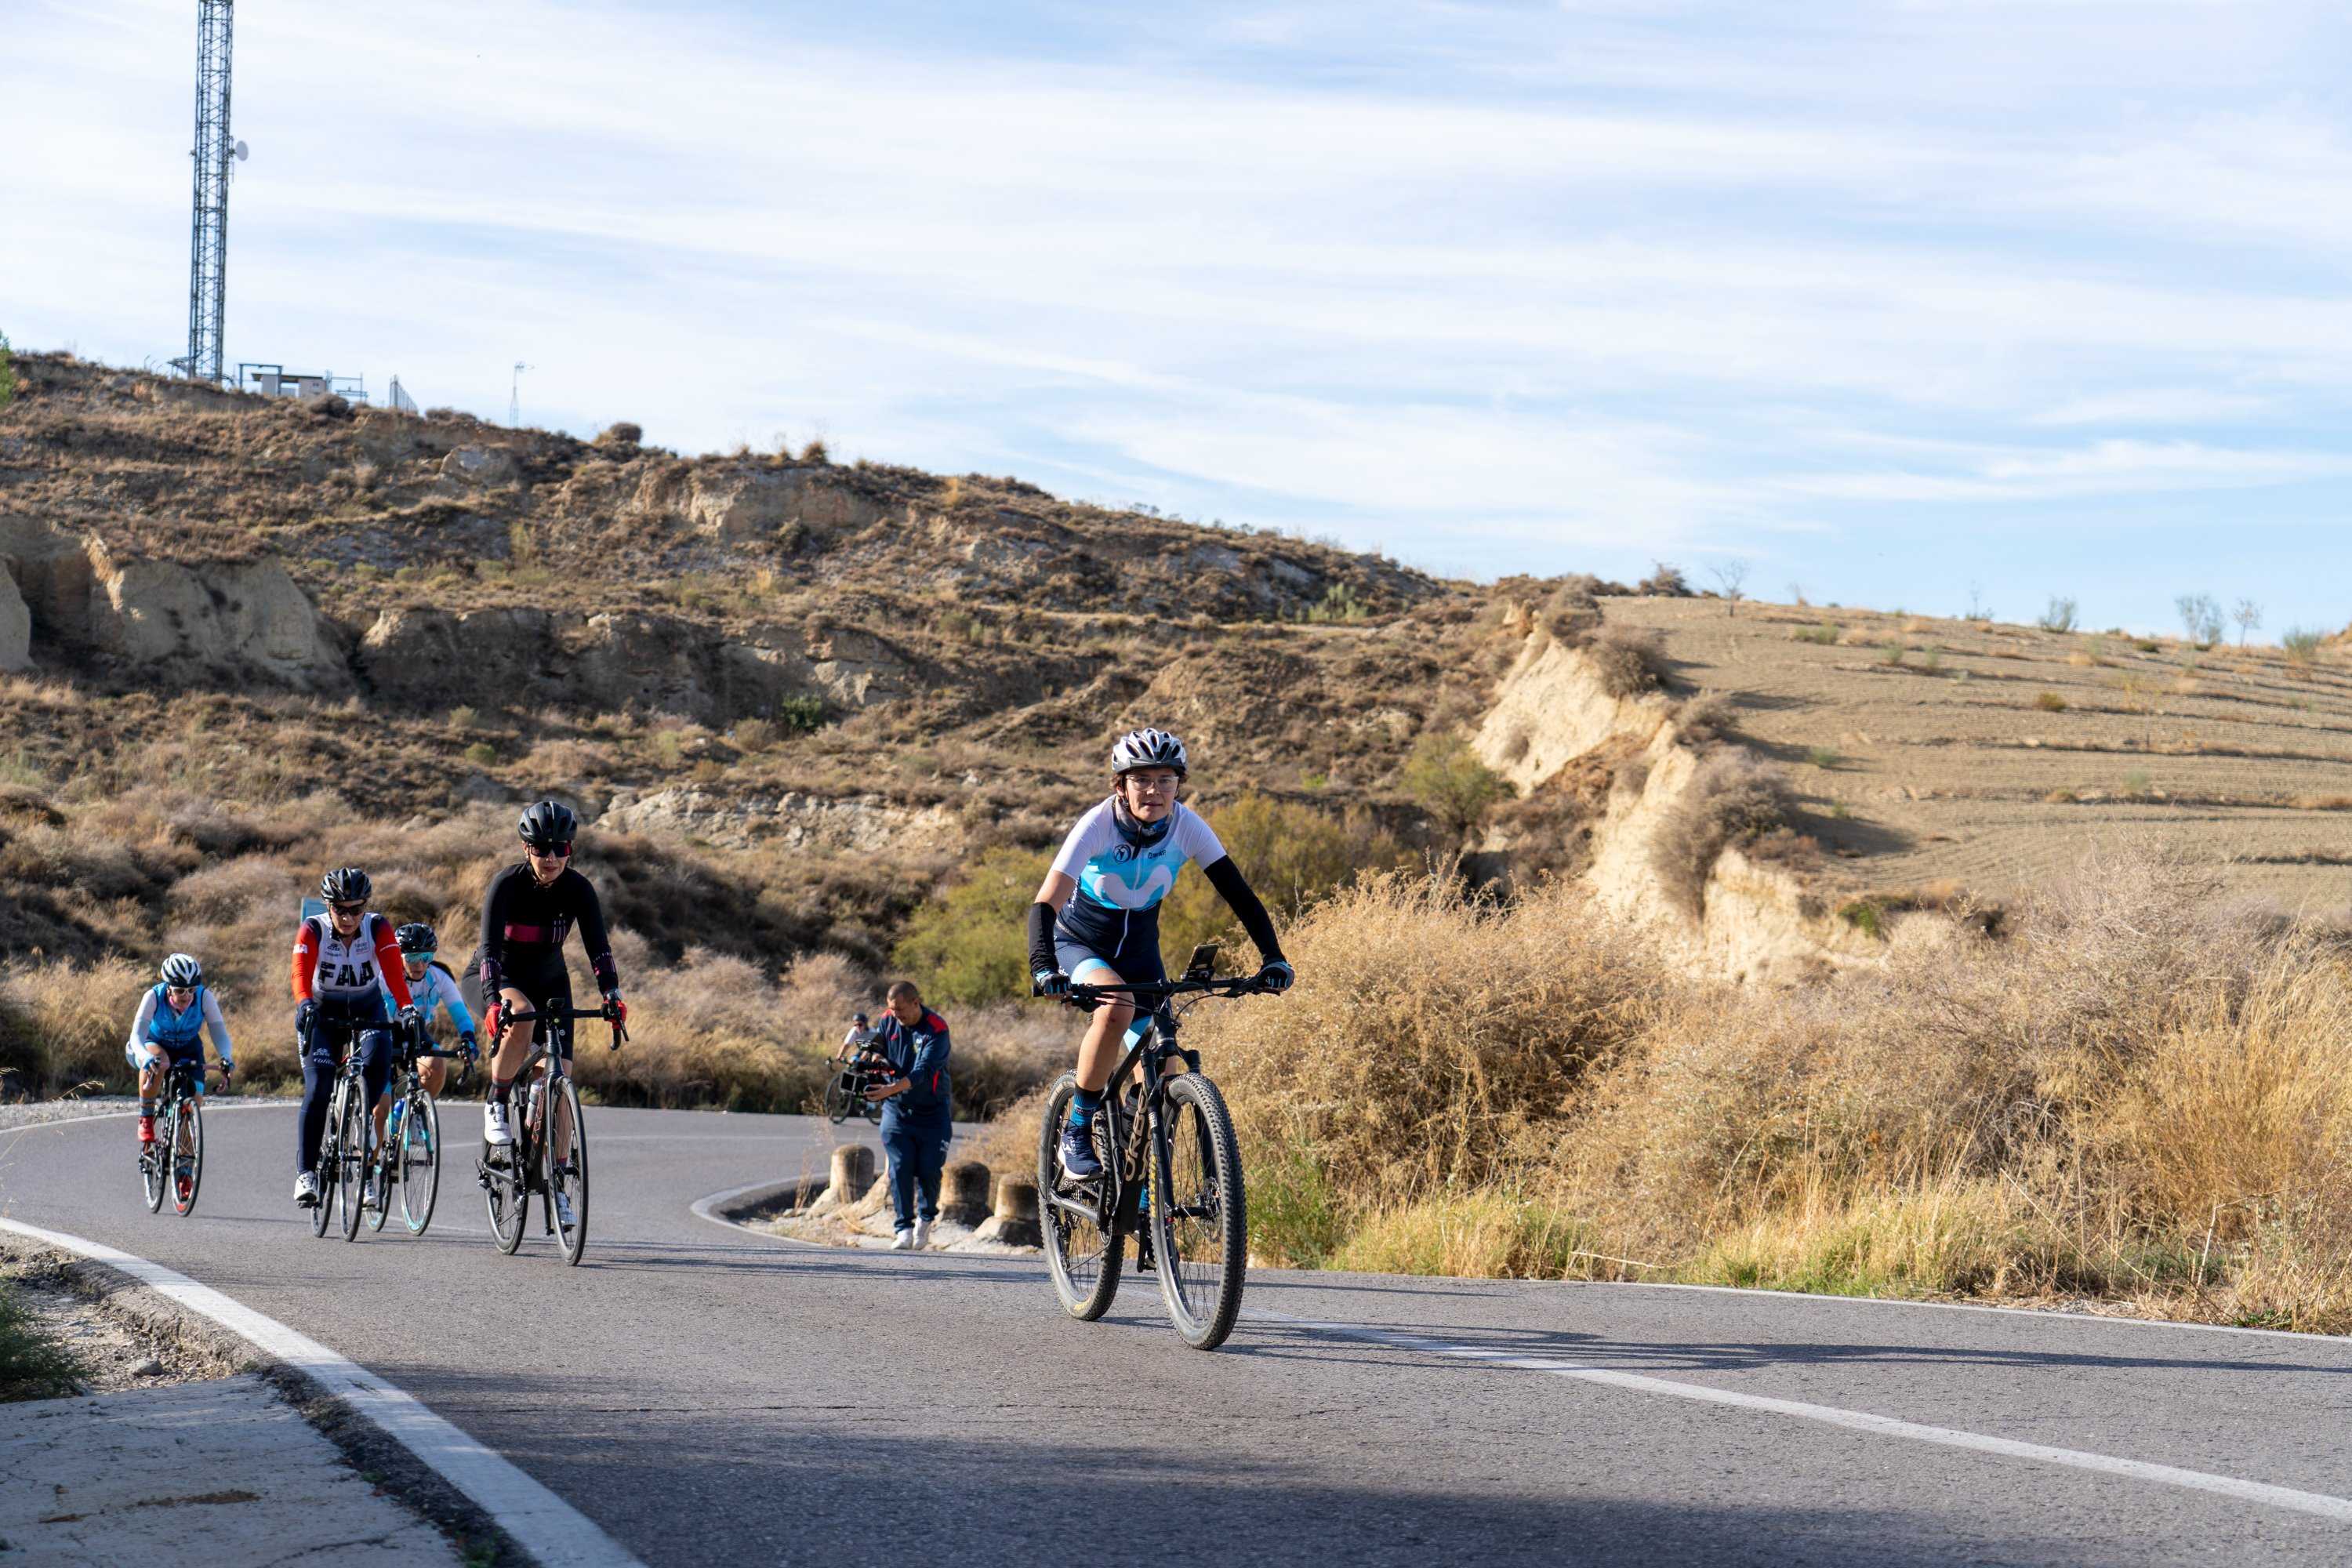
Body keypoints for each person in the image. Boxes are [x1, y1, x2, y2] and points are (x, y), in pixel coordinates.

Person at [1027, 728, 1293, 1179]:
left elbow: (1241, 898)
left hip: (1140, 952)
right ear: (1121, 786)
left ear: (1178, 785)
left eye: (1165, 780)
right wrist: (1043, 968)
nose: (1154, 790)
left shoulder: (1187, 826)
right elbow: (1045, 902)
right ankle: (1076, 1129)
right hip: (1078, 943)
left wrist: (1273, 958)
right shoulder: (1098, 824)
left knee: (1166, 1070)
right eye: (1142, 779)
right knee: (1117, 1007)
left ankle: (1139, 1175)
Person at [477, 800, 624, 1232]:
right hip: (500, 975)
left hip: (551, 980)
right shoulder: (506, 884)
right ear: (527, 849)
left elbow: (599, 948)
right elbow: (487, 950)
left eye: (560, 848)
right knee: (520, 1014)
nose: (552, 857)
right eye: (541, 848)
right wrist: (491, 1000)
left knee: (560, 1082)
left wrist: (612, 995)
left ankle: (558, 1182)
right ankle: (498, 1100)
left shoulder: (579, 889)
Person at [292, 868, 419, 1207]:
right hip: (322, 1013)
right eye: (340, 909)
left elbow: (393, 971)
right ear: (328, 906)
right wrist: (304, 1003)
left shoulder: (377, 927)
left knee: (377, 1072)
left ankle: (358, 1124)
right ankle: (306, 1173)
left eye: (356, 909)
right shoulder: (313, 928)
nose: (348, 917)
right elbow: (300, 973)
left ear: (366, 906)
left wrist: (406, 1007)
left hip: (368, 1010)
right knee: (318, 1089)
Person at [862, 982, 953, 1250]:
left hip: (933, 1111)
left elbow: (923, 1071)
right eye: (892, 1009)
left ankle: (925, 1220)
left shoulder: (937, 1029)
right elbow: (879, 1046)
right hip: (896, 1109)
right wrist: (876, 1059)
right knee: (900, 1167)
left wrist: (891, 1087)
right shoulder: (888, 1020)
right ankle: (902, 1227)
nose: (896, 1015)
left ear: (916, 1002)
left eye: (901, 1009)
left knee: (929, 1169)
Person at [375, 921, 478, 1155]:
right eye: (411, 957)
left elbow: (460, 1014)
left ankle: (410, 1110)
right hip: (384, 1031)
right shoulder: (384, 976)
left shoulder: (438, 977)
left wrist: (469, 1039)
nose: (420, 964)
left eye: (426, 956)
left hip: (416, 1033)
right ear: (398, 956)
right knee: (380, 1107)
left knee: (437, 1064)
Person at [125, 953, 233, 1160]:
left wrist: (226, 1056)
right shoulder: (153, 997)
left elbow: (219, 1032)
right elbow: (136, 1035)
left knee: (194, 1103)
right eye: (180, 990)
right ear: (168, 987)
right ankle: (146, 1118)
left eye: (192, 989)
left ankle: (183, 1164)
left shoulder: (204, 997)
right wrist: (145, 1057)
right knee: (161, 1061)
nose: (187, 995)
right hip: (153, 1044)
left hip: (189, 1048)